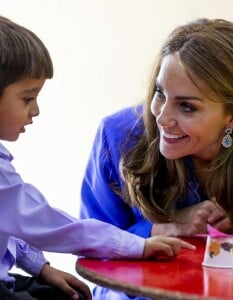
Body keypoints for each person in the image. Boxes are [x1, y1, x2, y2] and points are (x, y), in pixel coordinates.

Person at [80, 18, 233, 299]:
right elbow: (91, 248)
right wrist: (161, 228)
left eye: (186, 106)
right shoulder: (117, 136)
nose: (161, 117)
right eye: (160, 93)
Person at [0, 15, 196, 300]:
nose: (36, 111)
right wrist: (136, 245)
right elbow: (46, 223)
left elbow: (9, 221)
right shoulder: (118, 134)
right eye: (27, 98)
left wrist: (41, 268)